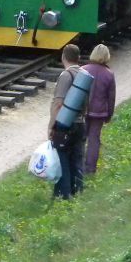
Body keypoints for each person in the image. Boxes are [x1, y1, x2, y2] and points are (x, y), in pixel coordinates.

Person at [47, 43, 86, 199]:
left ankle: (64, 194)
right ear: (78, 58)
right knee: (76, 158)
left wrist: (51, 126)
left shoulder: (66, 75)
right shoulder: (84, 75)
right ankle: (78, 190)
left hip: (65, 124)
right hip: (80, 123)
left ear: (63, 57)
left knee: (62, 158)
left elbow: (58, 103)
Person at [82, 43, 116, 175]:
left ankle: (78, 165)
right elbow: (111, 97)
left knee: (81, 138)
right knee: (94, 139)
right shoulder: (109, 74)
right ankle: (90, 169)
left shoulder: (83, 69)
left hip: (83, 111)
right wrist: (109, 114)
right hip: (99, 112)